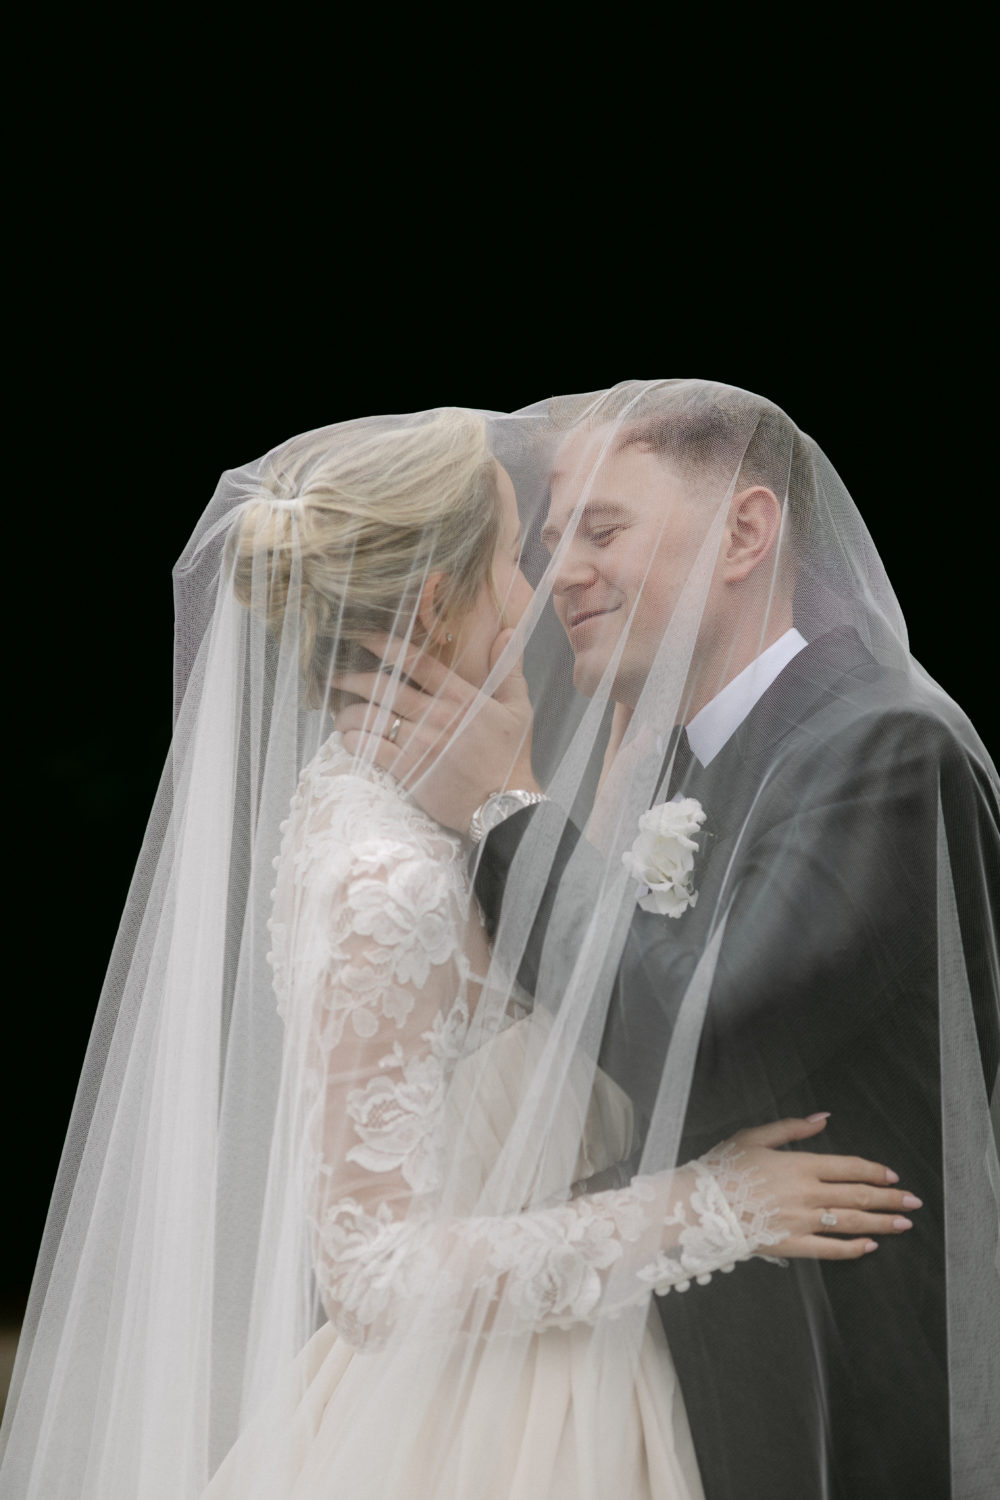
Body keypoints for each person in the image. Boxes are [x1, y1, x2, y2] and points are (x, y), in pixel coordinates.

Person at [0, 403, 920, 1500]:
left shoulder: (447, 804)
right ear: (442, 601)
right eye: (515, 558)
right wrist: (711, 1208)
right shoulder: (380, 875)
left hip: (606, 1371)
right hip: (503, 1425)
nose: (541, 590)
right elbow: (371, 1274)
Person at [336, 381, 1000, 1499]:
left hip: (856, 1425)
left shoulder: (886, 746)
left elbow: (712, 1042)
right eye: (552, 541)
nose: (562, 574)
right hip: (679, 1409)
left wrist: (507, 813)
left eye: (602, 530)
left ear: (745, 532)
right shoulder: (669, 763)